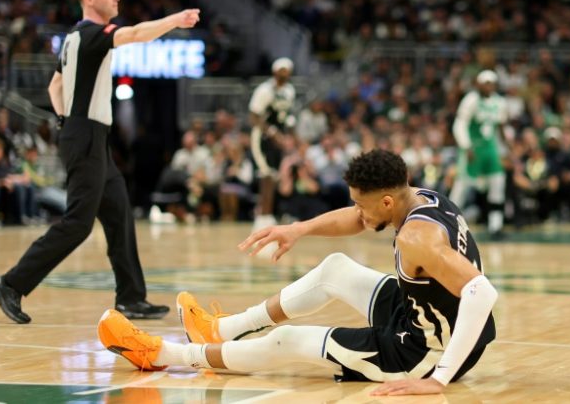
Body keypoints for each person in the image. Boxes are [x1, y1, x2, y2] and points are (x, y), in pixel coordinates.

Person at [98, 149, 497, 396]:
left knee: (286, 340)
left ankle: (163, 354)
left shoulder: (417, 238)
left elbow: (481, 293)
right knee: (336, 268)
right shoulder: (423, 198)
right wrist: (298, 229)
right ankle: (221, 330)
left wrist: (439, 378)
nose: (358, 212)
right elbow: (357, 221)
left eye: (362, 204)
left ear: (389, 201)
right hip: (422, 318)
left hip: (423, 352)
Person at [0, 0, 200, 324]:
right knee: (78, 223)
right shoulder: (91, 34)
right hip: (85, 135)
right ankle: (10, 283)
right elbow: (134, 34)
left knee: (118, 214)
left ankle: (131, 298)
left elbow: (55, 87)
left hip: (87, 135)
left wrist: (64, 120)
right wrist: (175, 20)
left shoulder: (73, 37)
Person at [450, 69, 508, 238]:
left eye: (492, 83)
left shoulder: (500, 102)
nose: (489, 86)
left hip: (491, 149)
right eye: (486, 83)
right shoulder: (471, 100)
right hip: (473, 149)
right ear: (479, 84)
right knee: (462, 186)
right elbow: (459, 125)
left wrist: (506, 149)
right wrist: (466, 146)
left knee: (498, 183)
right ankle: (449, 222)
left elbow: (501, 128)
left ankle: (495, 226)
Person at [248, 57, 296, 232]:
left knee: (274, 175)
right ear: (275, 71)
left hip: (279, 138)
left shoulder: (290, 91)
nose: (284, 74)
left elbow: (288, 115)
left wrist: (289, 135)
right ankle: (262, 216)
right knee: (265, 175)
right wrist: (272, 133)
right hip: (262, 137)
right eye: (281, 70)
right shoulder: (264, 90)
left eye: (287, 70)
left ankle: (268, 215)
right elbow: (253, 116)